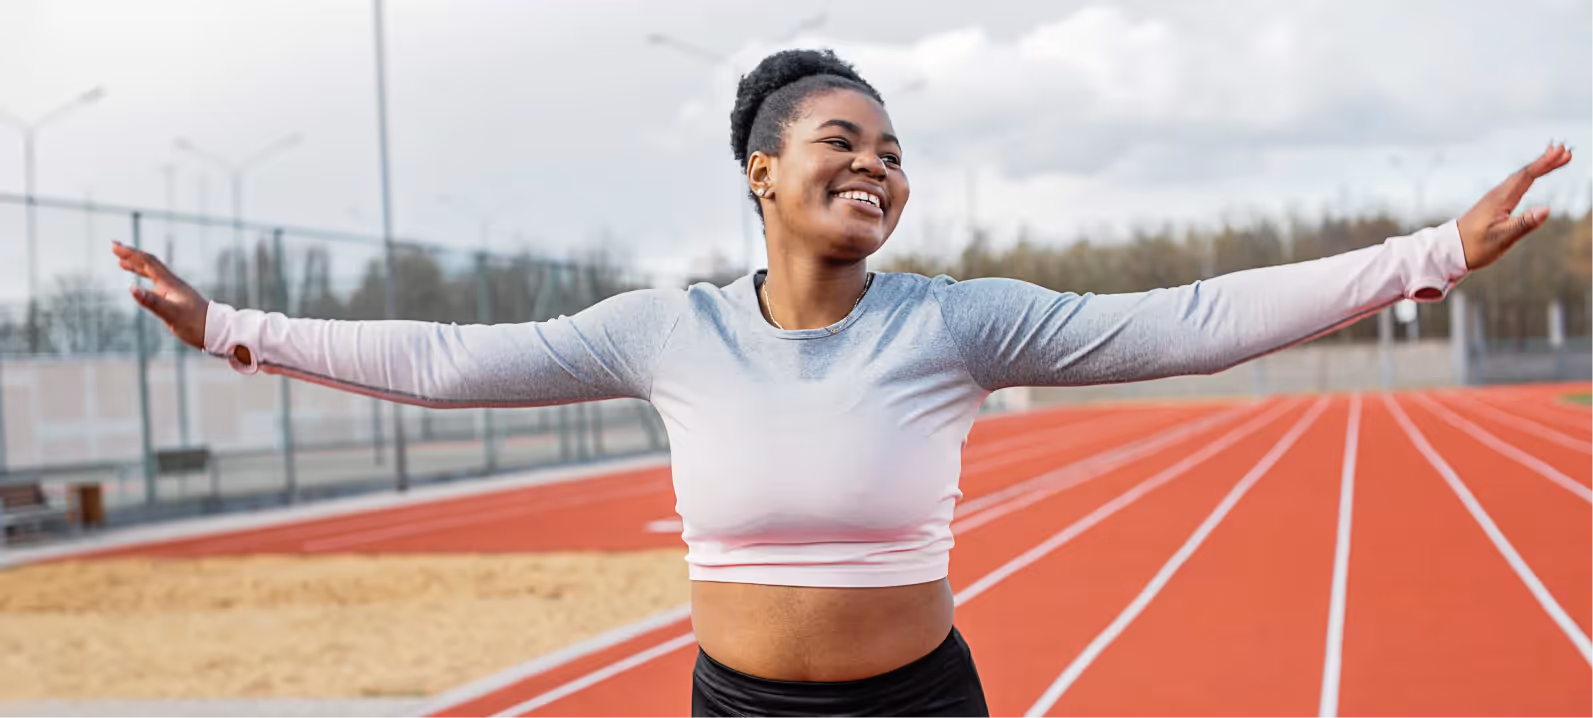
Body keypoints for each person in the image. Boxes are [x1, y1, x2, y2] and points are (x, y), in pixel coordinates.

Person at [116, 48, 1570, 717]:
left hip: (922, 704)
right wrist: (234, 327)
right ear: (761, 169)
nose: (875, 163)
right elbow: (444, 358)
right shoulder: (662, 331)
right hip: (738, 710)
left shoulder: (955, 322)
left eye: (891, 149)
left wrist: (1432, 250)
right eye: (840, 139)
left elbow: (1188, 317)